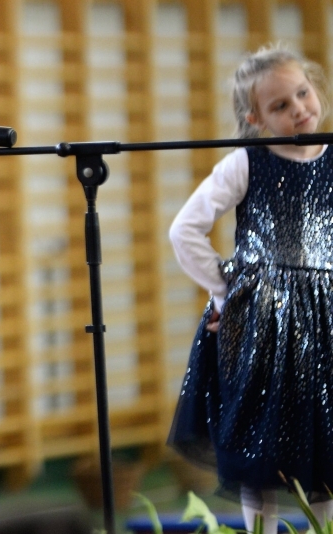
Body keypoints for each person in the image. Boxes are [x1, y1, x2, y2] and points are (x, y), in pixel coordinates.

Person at [168, 44, 333, 534]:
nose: (299, 109)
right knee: (255, 440)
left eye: (303, 94)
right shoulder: (247, 162)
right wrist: (226, 292)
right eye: (281, 105)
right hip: (260, 321)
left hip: (323, 317)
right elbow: (184, 230)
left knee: (323, 438)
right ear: (255, 118)